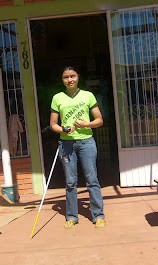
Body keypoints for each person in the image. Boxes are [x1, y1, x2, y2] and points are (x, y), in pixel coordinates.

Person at [50, 66, 106, 229]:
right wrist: (63, 129)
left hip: (86, 142)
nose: (70, 80)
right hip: (67, 144)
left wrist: (86, 124)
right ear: (63, 80)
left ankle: (98, 215)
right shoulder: (57, 98)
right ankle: (72, 216)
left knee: (92, 179)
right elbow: (53, 124)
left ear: (78, 77)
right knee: (70, 181)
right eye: (66, 77)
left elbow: (100, 120)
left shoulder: (88, 95)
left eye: (72, 76)